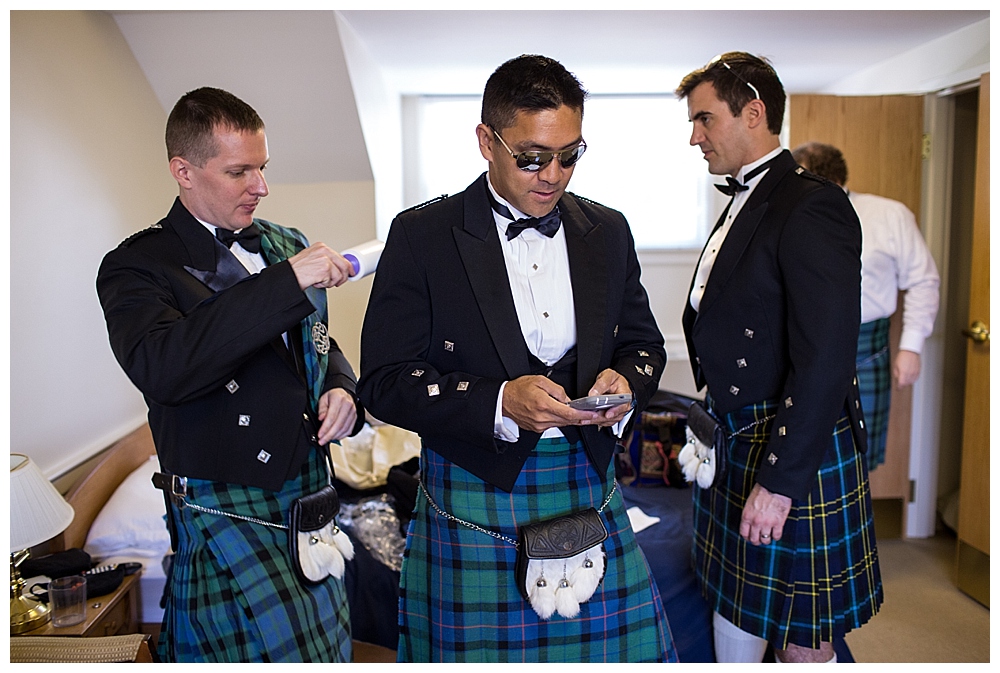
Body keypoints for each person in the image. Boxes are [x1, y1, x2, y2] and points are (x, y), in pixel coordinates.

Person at [357, 54, 676, 663]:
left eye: (570, 154)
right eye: (531, 157)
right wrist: (499, 401)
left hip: (589, 486)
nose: (552, 175)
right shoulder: (423, 236)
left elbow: (644, 345)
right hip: (476, 492)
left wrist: (627, 384)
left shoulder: (607, 231)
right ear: (486, 140)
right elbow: (383, 380)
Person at [96, 87, 365, 662]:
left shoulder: (284, 244)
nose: (261, 187)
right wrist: (284, 283)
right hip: (228, 507)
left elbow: (318, 344)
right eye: (239, 171)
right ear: (184, 171)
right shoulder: (137, 265)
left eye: (262, 168)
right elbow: (165, 368)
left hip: (310, 500)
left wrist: (343, 387)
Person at [674, 53, 882, 663]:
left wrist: (780, 481)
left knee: (801, 635)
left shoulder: (811, 204)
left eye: (705, 119)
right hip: (740, 431)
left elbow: (826, 355)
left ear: (754, 113)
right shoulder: (747, 199)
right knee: (737, 603)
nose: (695, 136)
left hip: (789, 447)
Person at [791, 141, 940, 471]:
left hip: (866, 348)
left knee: (857, 453)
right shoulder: (788, 215)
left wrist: (911, 347)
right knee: (799, 448)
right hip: (801, 345)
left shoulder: (889, 215)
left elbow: (923, 279)